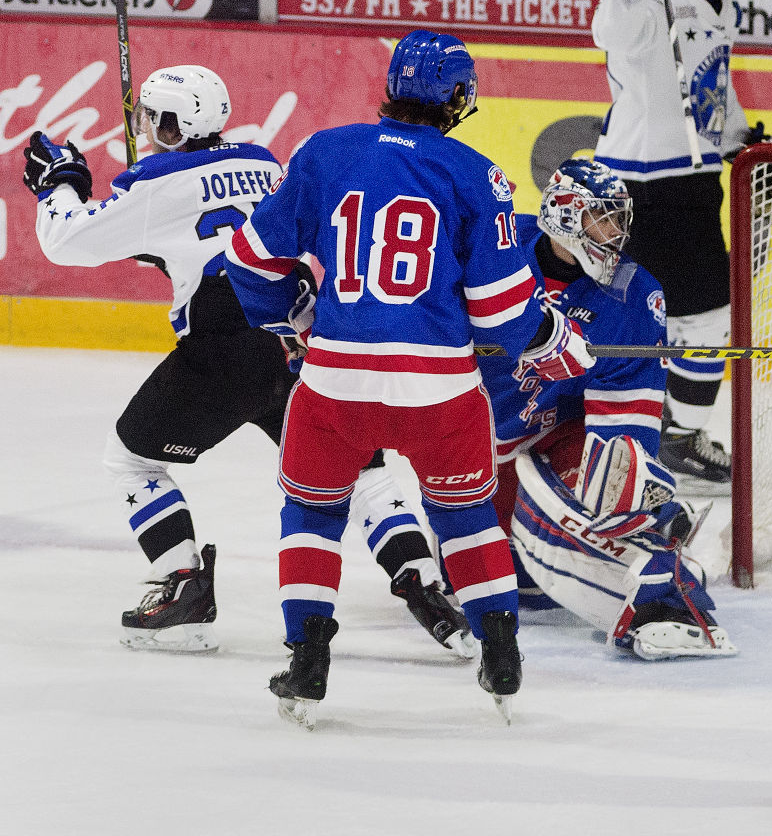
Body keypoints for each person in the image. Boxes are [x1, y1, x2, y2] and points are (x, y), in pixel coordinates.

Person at [22, 65, 473, 659]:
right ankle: (426, 586)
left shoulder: (155, 179)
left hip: (224, 341)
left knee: (132, 461)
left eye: (151, 119)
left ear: (171, 124)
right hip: (298, 338)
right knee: (362, 475)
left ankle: (185, 591)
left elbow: (66, 240)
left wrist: (61, 184)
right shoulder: (262, 162)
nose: (144, 129)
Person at [224, 30, 593, 727]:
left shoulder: (323, 151)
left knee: (313, 513)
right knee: (465, 516)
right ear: (459, 97)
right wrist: (556, 340)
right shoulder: (476, 173)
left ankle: (307, 660)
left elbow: (248, 260)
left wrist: (291, 318)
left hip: (335, 381)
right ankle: (500, 649)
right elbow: (505, 315)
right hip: (439, 389)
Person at [473, 158, 738, 659]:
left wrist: (630, 495)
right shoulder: (495, 253)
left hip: (561, 432)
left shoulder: (635, 296)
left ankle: (663, 597)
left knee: (619, 478)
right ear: (566, 215)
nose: (615, 232)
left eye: (619, 219)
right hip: (480, 438)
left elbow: (627, 419)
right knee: (494, 577)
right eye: (602, 217)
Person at [594, 0, 760, 486]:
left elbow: (713, 88)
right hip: (638, 189)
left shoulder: (719, 8)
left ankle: (681, 437)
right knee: (615, 320)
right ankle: (584, 431)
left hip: (694, 188)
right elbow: (610, 32)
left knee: (708, 320)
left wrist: (740, 136)